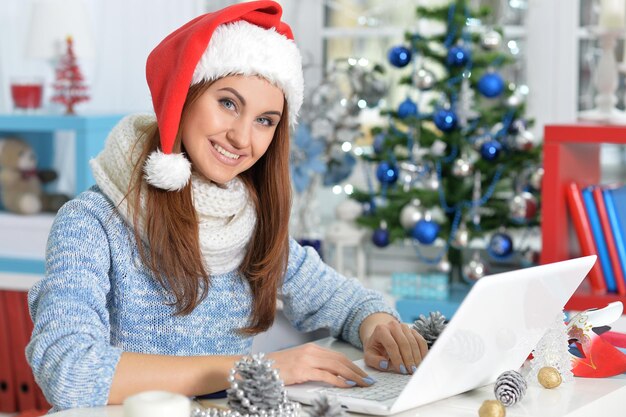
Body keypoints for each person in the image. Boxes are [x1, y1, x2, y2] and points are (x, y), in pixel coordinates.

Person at [26, 1, 427, 412]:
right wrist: (253, 368)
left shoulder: (246, 222)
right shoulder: (92, 222)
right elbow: (69, 370)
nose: (241, 137)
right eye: (229, 103)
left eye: (265, 120)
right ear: (183, 96)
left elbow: (346, 300)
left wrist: (377, 325)